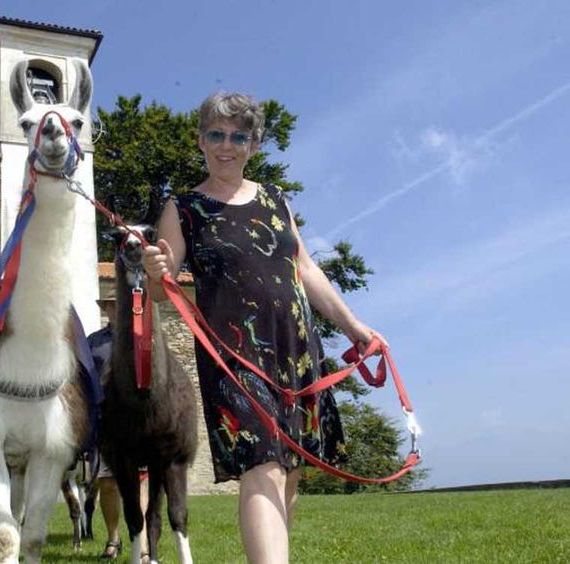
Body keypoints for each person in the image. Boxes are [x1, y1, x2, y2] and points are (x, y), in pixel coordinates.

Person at [143, 92, 385, 563]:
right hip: (234, 358)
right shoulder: (183, 209)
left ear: (254, 145)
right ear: (200, 141)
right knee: (263, 467)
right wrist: (156, 271)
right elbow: (161, 289)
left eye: (239, 136)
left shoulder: (276, 200)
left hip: (296, 348)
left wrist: (355, 328)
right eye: (216, 134)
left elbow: (306, 269)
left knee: (288, 470)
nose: (226, 145)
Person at [86, 298, 150, 560]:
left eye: (119, 304)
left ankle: (143, 545)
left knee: (141, 482)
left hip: (136, 418)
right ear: (107, 310)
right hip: (105, 420)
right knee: (108, 483)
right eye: (111, 305)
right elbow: (84, 377)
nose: (117, 308)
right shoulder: (93, 342)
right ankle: (114, 538)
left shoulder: (143, 337)